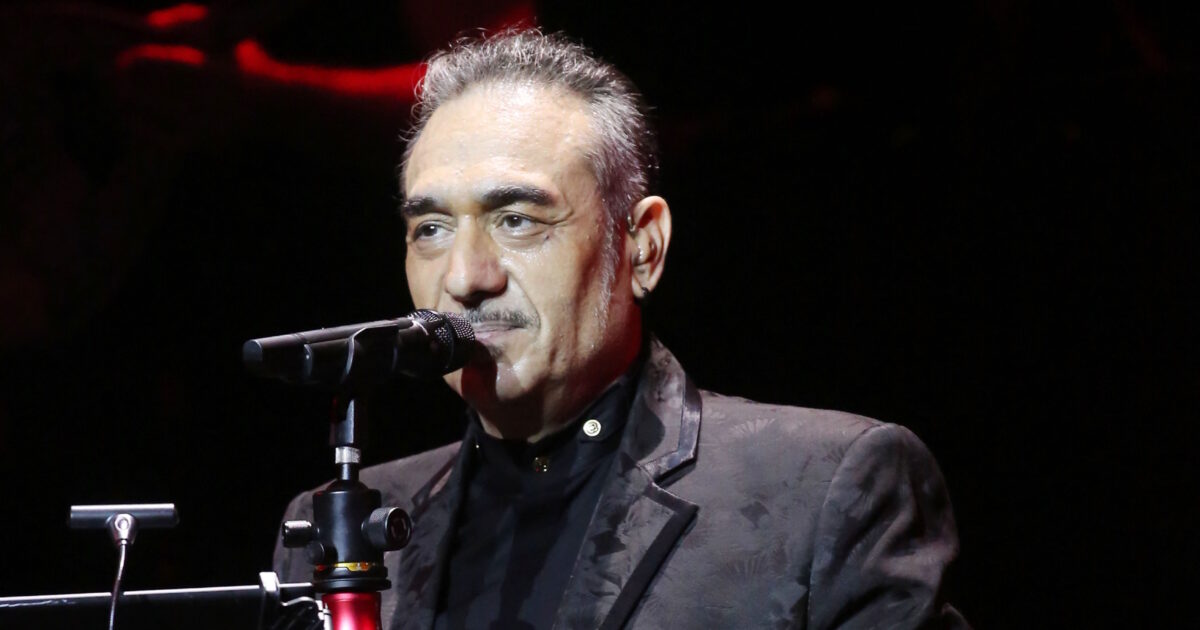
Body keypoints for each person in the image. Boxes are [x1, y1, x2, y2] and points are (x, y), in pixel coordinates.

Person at [274, 29, 968, 629]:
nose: (464, 276)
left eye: (516, 220)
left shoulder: (826, 488)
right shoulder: (334, 527)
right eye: (430, 228)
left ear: (642, 248)